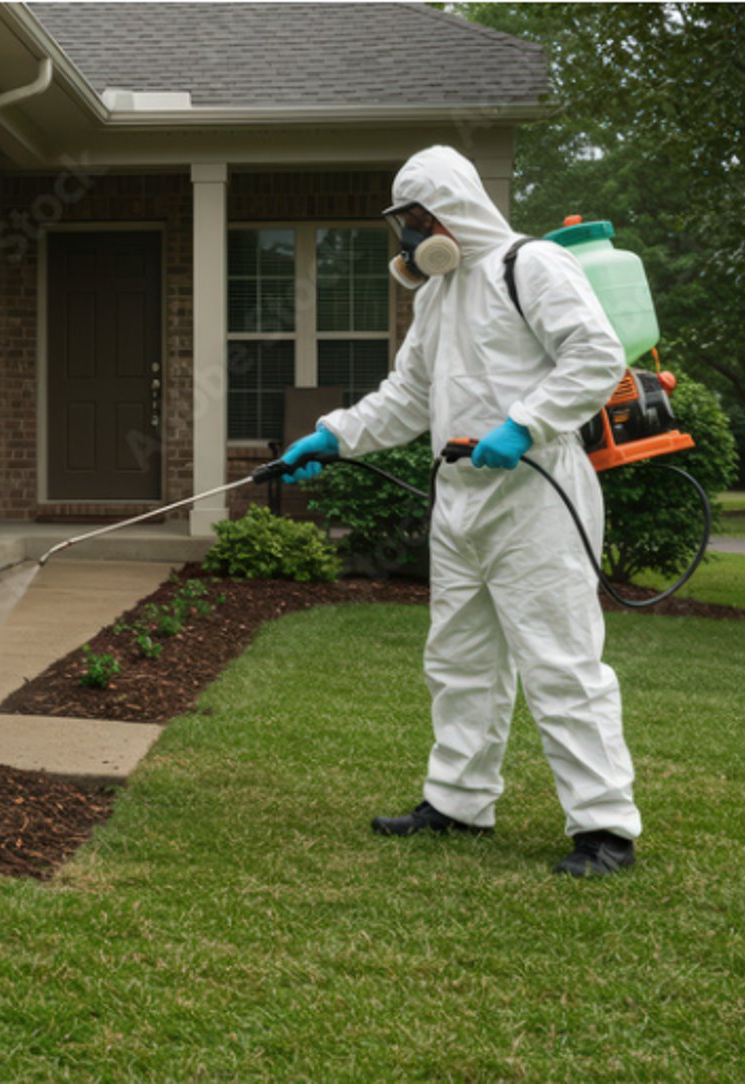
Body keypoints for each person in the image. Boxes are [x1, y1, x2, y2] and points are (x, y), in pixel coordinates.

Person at [278, 145, 640, 877]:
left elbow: (597, 354)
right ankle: (459, 800)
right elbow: (408, 396)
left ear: (456, 206)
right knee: (458, 659)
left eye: (418, 218)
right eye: (403, 223)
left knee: (560, 660)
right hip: (461, 500)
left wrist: (524, 423)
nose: (411, 237)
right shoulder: (435, 296)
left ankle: (604, 829)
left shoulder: (530, 265)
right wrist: (335, 435)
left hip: (536, 491)